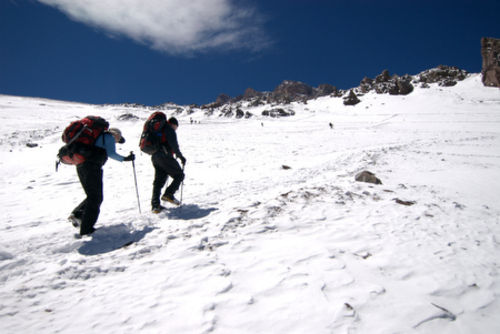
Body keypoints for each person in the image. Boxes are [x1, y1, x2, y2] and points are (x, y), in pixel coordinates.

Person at [68, 128, 135, 236]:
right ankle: (86, 229)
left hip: (81, 165)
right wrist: (126, 158)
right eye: (118, 139)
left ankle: (77, 215)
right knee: (96, 197)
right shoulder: (109, 137)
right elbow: (111, 153)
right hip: (92, 167)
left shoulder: (97, 137)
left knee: (92, 195)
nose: (117, 141)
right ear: (116, 134)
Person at [151, 117, 186, 213]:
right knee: (179, 175)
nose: (175, 129)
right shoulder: (169, 129)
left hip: (155, 157)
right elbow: (174, 145)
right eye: (176, 127)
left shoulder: (159, 129)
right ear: (173, 124)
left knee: (158, 181)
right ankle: (168, 194)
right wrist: (180, 156)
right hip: (165, 156)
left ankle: (155, 206)